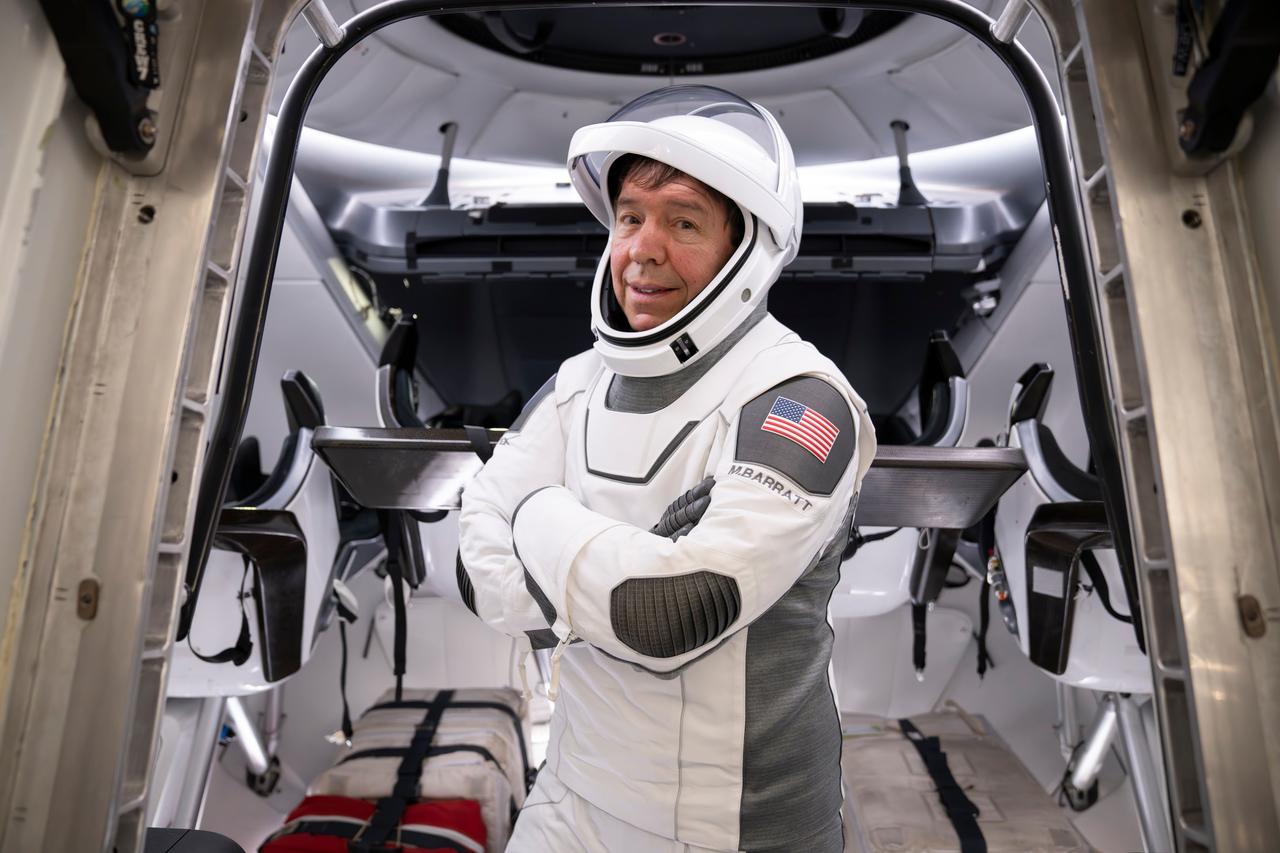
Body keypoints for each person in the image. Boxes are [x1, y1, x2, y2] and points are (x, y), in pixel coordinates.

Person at [456, 85, 876, 852]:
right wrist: (615, 565)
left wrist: (532, 515)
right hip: (572, 787)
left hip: (737, 827)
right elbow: (474, 575)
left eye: (682, 222)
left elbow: (674, 608)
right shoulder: (579, 381)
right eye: (629, 218)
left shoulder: (798, 398)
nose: (641, 250)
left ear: (747, 248)